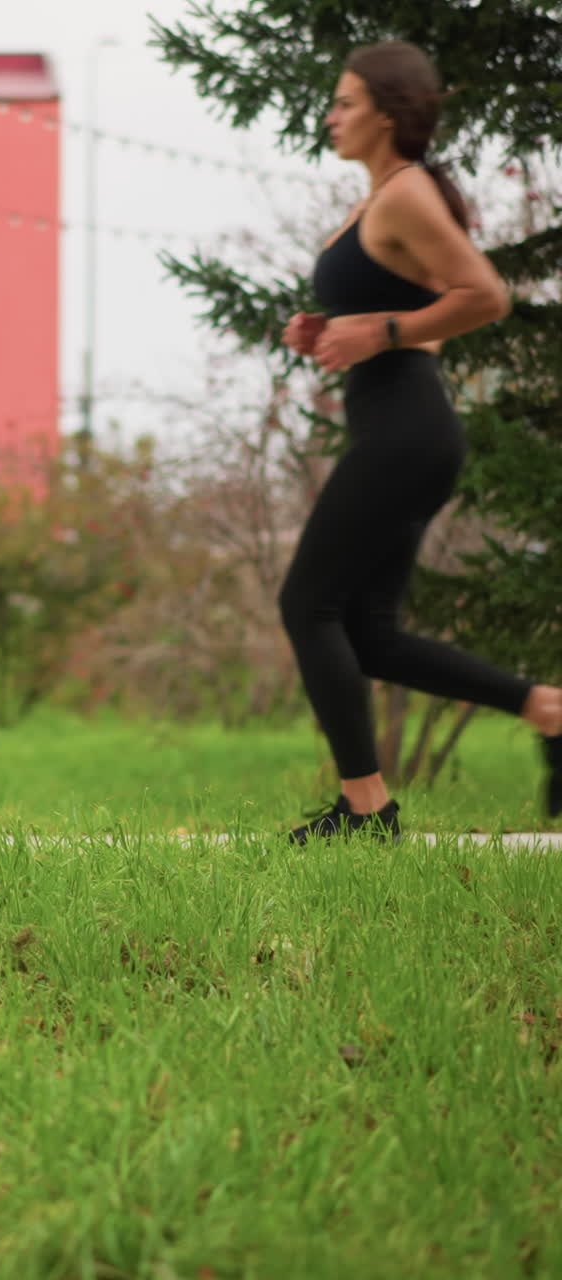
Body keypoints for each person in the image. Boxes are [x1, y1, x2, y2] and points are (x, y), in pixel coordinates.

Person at [279, 39, 562, 845]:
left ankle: (366, 811)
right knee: (369, 634)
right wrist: (332, 331)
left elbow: (485, 296)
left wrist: (384, 333)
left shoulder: (404, 195)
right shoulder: (378, 200)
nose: (329, 115)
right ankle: (545, 708)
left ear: (390, 115)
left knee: (306, 604)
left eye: (344, 103)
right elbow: (399, 312)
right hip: (403, 429)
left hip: (407, 429)